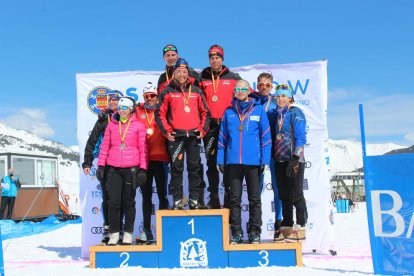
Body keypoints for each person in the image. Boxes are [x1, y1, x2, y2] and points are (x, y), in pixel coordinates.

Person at [217, 80, 271, 244]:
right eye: (237, 89)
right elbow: (222, 138)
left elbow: (266, 137)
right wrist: (221, 159)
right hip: (233, 162)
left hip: (253, 162)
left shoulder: (259, 110)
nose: (239, 91)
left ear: (249, 91)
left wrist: (265, 160)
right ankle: (237, 232)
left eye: (243, 88)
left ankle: (255, 231)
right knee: (234, 199)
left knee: (254, 199)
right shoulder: (229, 112)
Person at [155, 58, 210, 210]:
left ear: (188, 74)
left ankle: (194, 199)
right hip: (176, 136)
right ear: (174, 74)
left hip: (193, 136)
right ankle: (178, 200)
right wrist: (166, 131)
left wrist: (202, 129)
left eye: (184, 72)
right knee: (176, 169)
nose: (181, 74)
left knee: (194, 168)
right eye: (178, 71)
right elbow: (159, 113)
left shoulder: (197, 91)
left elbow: (205, 112)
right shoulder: (167, 91)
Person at [96, 96, 148, 245]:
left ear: (130, 109)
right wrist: (101, 165)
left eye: (124, 107)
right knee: (113, 202)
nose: (121, 110)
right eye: (120, 107)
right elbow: (105, 146)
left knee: (129, 202)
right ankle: (113, 234)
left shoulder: (138, 126)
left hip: (131, 169)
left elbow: (143, 149)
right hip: (113, 168)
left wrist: (143, 169)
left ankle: (127, 234)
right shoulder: (111, 125)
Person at [199, 44, 242, 209]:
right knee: (211, 162)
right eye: (211, 58)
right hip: (210, 126)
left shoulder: (233, 76)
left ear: (222, 59)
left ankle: (229, 196)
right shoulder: (203, 77)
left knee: (228, 162)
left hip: (228, 125)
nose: (214, 60)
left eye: (217, 57)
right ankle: (214, 195)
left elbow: (246, 92)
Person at [82, 90, 123, 244]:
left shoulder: (127, 117)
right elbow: (92, 141)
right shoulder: (102, 119)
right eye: (110, 100)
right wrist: (87, 162)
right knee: (107, 198)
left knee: (122, 199)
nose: (113, 102)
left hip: (123, 162)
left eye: (116, 99)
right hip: (105, 163)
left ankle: (119, 229)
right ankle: (108, 229)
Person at [268, 84, 308, 243]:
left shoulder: (295, 112)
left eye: (283, 96)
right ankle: (287, 225)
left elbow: (301, 137)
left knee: (296, 194)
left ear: (290, 98)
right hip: (279, 159)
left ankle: (301, 226)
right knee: (284, 195)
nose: (280, 99)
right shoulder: (277, 114)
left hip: (294, 160)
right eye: (278, 96)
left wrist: (296, 158)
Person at [135, 82, 170, 244]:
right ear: (143, 97)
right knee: (146, 197)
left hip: (161, 159)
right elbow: (121, 114)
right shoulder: (137, 111)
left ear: (157, 96)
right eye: (147, 96)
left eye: (153, 95)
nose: (150, 99)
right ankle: (147, 231)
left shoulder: (163, 110)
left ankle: (164, 230)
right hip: (143, 161)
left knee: (163, 195)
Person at [255, 72, 283, 240]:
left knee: (278, 188)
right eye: (261, 85)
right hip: (257, 151)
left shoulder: (276, 102)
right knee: (255, 189)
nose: (263, 87)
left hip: (275, 150)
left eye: (267, 85)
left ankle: (279, 225)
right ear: (257, 85)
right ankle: (255, 226)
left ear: (271, 86)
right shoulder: (252, 101)